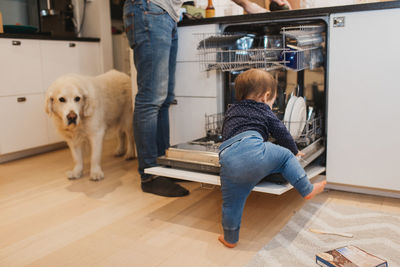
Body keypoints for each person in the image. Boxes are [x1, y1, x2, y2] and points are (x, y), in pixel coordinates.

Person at [123, 0, 291, 198]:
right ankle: (149, 175)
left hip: (164, 14)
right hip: (149, 10)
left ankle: (160, 168)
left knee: (164, 98)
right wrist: (248, 4)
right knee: (151, 99)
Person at [217, 69, 326, 248]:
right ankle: (307, 189)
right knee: (284, 156)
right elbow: (281, 132)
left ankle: (230, 238)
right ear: (266, 96)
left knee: (231, 205)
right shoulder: (264, 111)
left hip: (228, 160)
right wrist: (294, 150)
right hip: (254, 151)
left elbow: (226, 134)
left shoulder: (232, 110)